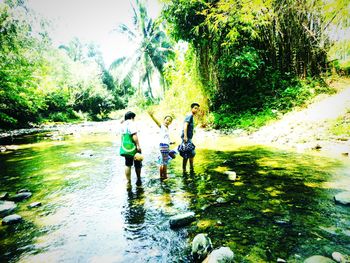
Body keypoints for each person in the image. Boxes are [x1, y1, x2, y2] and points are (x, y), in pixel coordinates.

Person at [148, 110, 174, 179]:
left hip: (164, 145)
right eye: (166, 120)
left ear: (170, 123)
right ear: (164, 120)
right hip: (164, 146)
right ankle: (164, 176)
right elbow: (157, 123)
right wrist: (152, 116)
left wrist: (170, 142)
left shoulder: (167, 128)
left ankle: (161, 176)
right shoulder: (162, 126)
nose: (167, 121)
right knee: (165, 162)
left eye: (169, 121)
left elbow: (165, 137)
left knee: (162, 161)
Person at [120, 111, 142, 186]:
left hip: (126, 147)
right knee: (137, 162)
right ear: (132, 117)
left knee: (127, 164)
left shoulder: (123, 124)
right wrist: (138, 146)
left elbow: (122, 136)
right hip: (133, 147)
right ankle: (138, 178)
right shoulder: (132, 123)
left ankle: (128, 181)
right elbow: (134, 135)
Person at [181, 102, 200, 174]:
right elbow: (185, 125)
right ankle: (186, 170)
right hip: (187, 138)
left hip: (189, 138)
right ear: (191, 108)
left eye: (197, 109)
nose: (196, 110)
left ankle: (190, 169)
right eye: (195, 108)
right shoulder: (189, 115)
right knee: (188, 153)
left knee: (190, 153)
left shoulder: (190, 116)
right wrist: (185, 136)